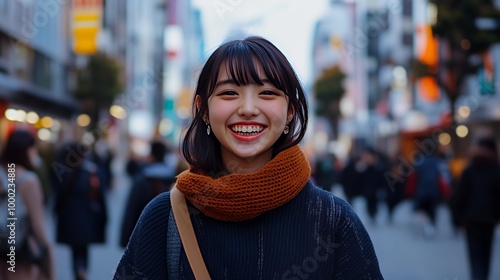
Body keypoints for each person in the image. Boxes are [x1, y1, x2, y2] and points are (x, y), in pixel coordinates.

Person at [113, 36, 383, 279]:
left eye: (267, 93)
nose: (248, 109)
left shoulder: (334, 221)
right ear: (203, 109)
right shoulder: (165, 217)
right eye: (229, 93)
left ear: (290, 111)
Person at [0, 130, 55, 280]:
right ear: (27, 150)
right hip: (18, 253)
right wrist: (48, 255)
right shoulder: (28, 180)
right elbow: (38, 228)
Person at [52, 142, 108, 280]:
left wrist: (57, 213)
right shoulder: (91, 172)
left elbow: (58, 198)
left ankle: (78, 270)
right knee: (83, 249)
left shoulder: (64, 173)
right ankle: (82, 270)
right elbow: (100, 196)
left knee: (75, 249)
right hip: (88, 217)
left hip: (70, 218)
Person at [451, 137, 500, 280]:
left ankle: (477, 277)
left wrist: (459, 220)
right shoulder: (496, 170)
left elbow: (459, 197)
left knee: (475, 255)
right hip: (489, 220)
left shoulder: (469, 171)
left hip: (471, 220)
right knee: (486, 254)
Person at [119, 140, 177, 248]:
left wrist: (125, 239)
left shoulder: (142, 178)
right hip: (169, 235)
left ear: (152, 155)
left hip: (144, 232)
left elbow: (132, 209)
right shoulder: (175, 178)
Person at [406, 150, 451, 238]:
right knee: (432, 210)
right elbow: (444, 177)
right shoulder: (438, 163)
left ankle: (427, 226)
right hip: (434, 191)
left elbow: (414, 177)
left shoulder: (420, 163)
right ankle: (432, 226)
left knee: (423, 210)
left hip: (422, 191)